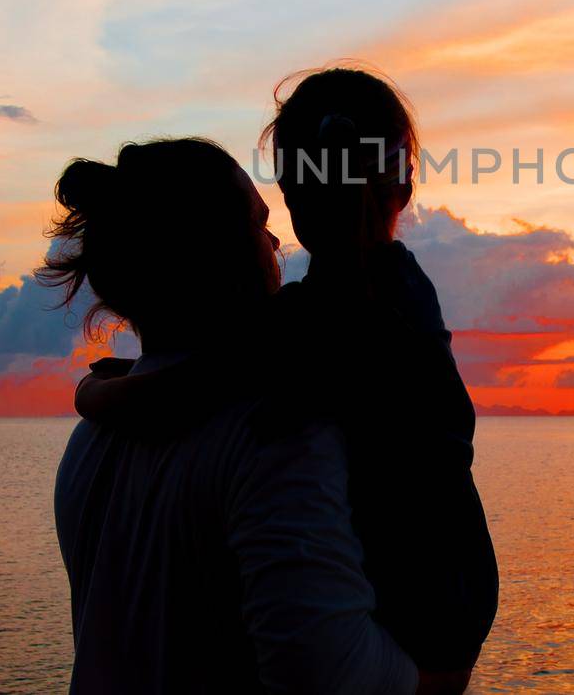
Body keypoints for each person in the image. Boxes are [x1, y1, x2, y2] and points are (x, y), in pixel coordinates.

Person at [77, 67, 499, 681]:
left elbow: (192, 383)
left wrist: (99, 394)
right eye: (257, 224)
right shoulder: (388, 297)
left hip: (430, 591)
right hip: (441, 580)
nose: (272, 239)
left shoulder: (326, 319)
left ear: (294, 193)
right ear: (403, 186)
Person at [47, 138, 424, 694]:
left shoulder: (89, 441)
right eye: (258, 223)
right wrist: (433, 678)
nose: (275, 243)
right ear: (215, 252)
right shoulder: (274, 431)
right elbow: (328, 676)